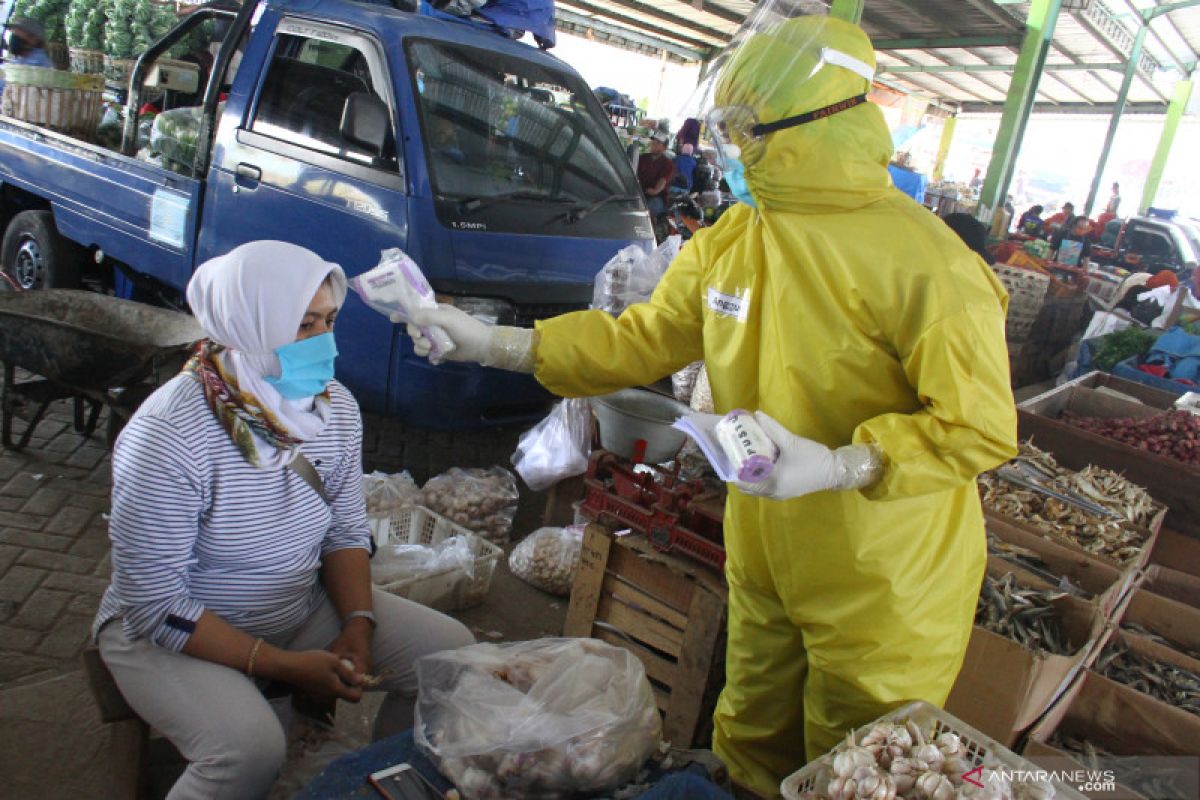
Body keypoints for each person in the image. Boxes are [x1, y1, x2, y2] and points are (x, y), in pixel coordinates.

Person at [397, 12, 1017, 796]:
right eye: (726, 128)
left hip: (884, 578)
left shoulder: (930, 265)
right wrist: (495, 343)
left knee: (861, 763)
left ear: (821, 127)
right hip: (764, 547)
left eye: (747, 130)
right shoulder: (734, 239)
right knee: (751, 736)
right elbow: (641, 340)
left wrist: (844, 462)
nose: (730, 149)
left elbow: (978, 425)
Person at [93, 241, 473, 798]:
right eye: (303, 325)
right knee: (247, 751)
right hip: (172, 631)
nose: (324, 342)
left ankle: (372, 784)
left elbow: (343, 532)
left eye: (330, 320)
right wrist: (284, 666)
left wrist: (359, 624)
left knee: (452, 658)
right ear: (248, 325)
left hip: (293, 605)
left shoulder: (333, 408)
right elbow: (154, 604)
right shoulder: (168, 438)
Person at [637, 131, 676, 217]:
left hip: (657, 197)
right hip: (639, 193)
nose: (654, 144)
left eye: (658, 143)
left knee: (651, 208)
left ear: (664, 148)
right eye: (653, 142)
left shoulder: (668, 163)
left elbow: (663, 180)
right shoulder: (642, 158)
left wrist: (655, 191)